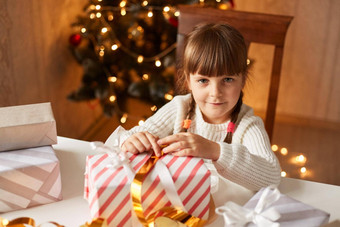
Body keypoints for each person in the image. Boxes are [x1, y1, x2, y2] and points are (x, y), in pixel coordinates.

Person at [105, 23, 281, 191]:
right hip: (178, 203)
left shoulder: (247, 124)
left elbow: (272, 177)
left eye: (227, 80)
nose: (215, 92)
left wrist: (214, 150)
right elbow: (127, 139)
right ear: (189, 81)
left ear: (242, 80)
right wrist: (132, 141)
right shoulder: (180, 108)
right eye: (203, 80)